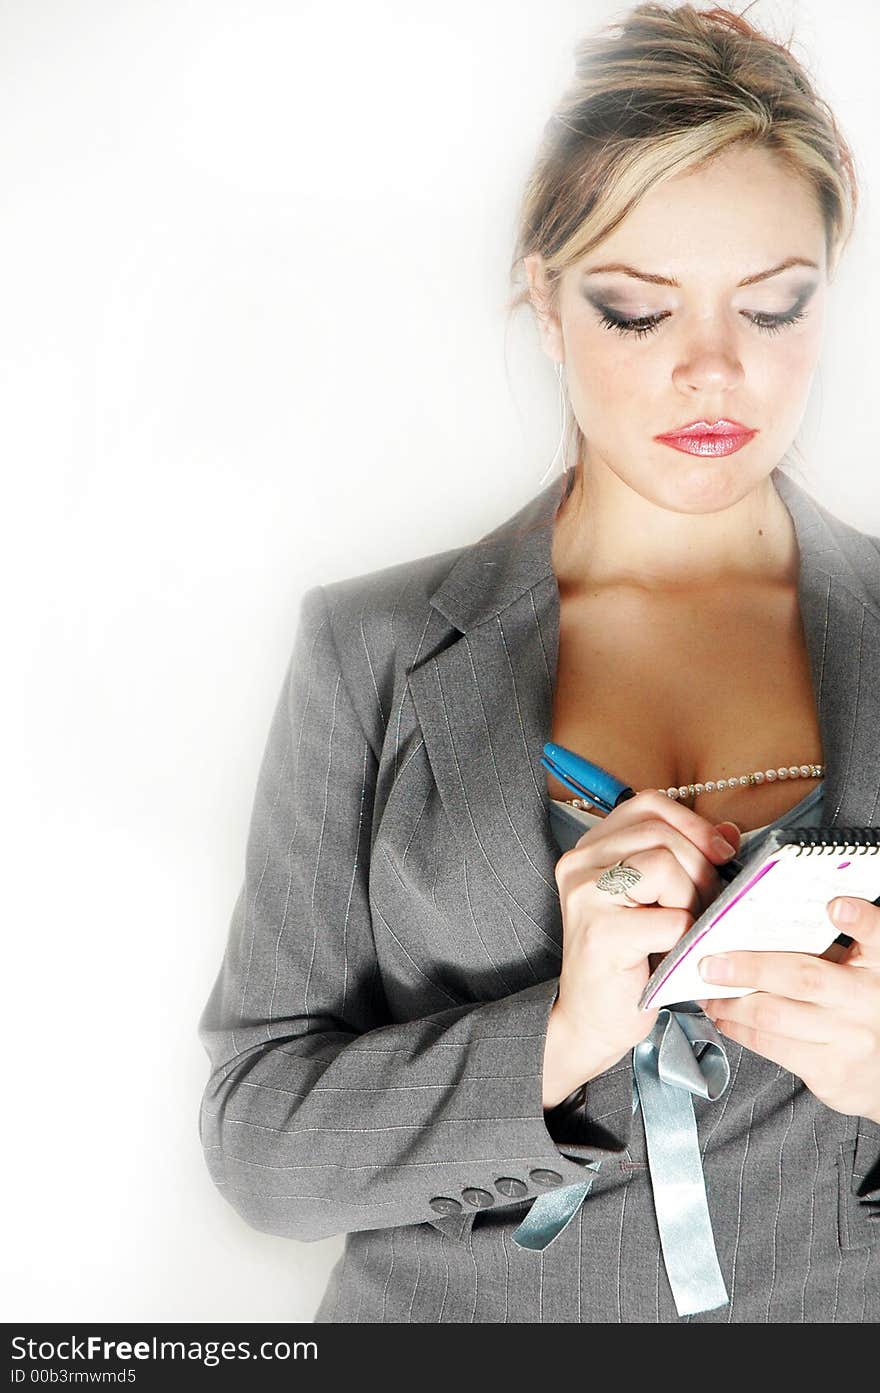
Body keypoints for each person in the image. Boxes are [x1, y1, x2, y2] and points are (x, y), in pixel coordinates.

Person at [196, 2, 880, 1322]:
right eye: (636, 311)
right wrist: (557, 1036)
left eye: (777, 305)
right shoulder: (373, 653)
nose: (715, 369)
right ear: (547, 304)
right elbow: (255, 1140)